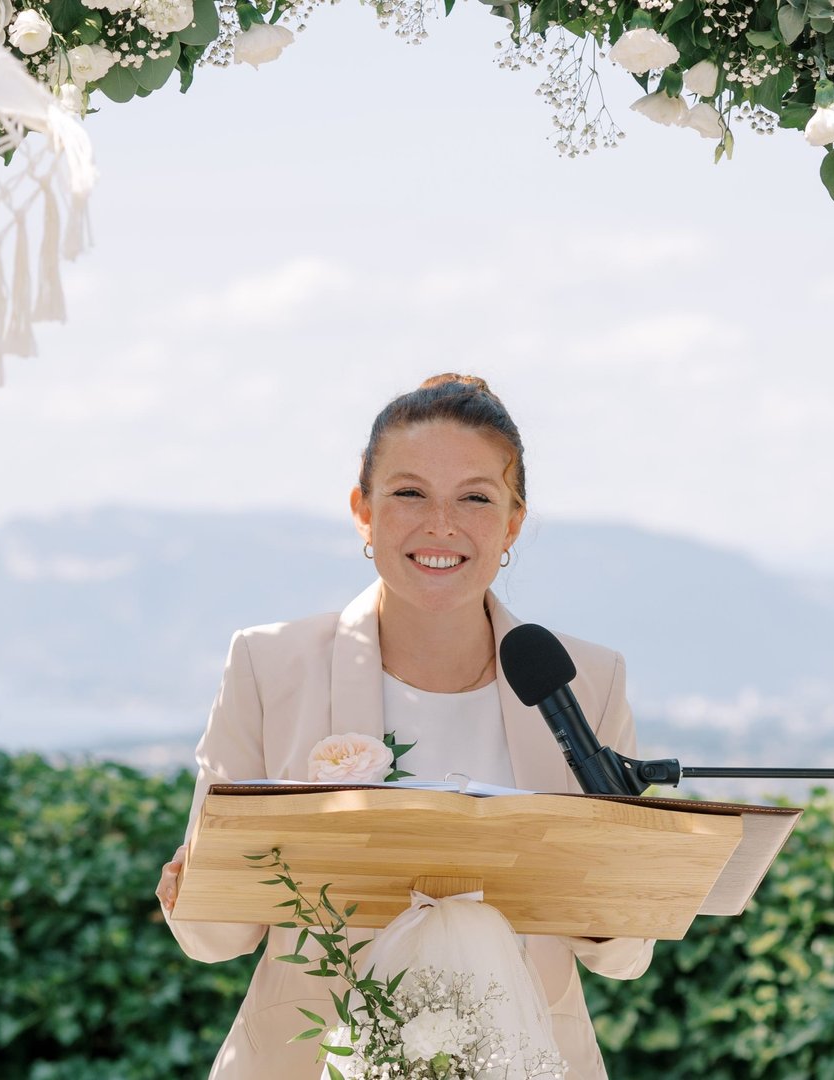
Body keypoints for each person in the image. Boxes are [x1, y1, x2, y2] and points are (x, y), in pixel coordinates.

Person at [156, 374, 655, 1078]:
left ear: (513, 522)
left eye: (476, 498)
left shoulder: (585, 679)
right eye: (409, 493)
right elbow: (218, 937)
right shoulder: (269, 666)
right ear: (363, 510)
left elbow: (625, 953)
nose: (441, 526)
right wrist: (195, 887)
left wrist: (620, 890)